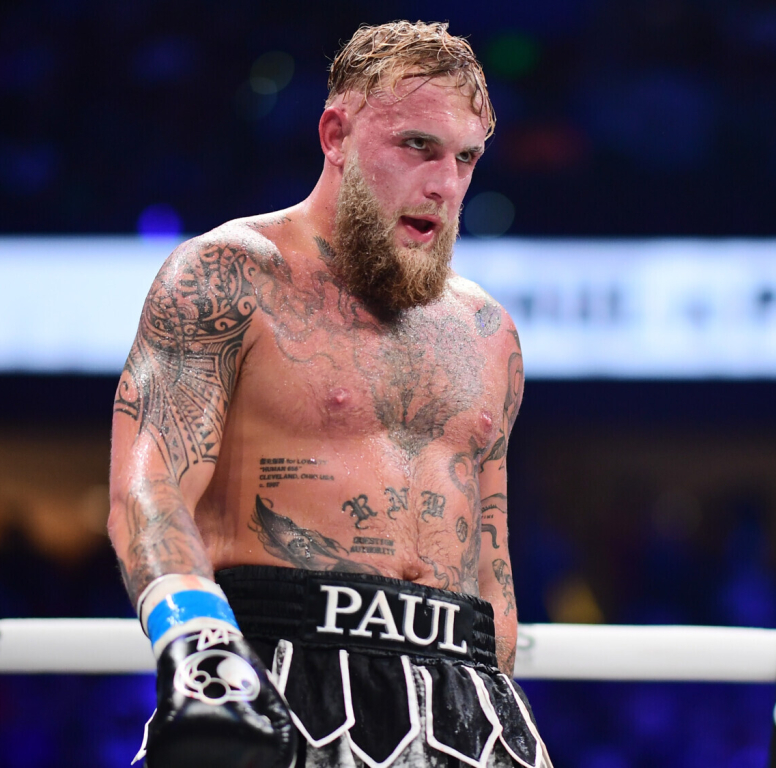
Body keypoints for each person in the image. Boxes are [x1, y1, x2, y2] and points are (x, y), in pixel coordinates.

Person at [108, 20, 550, 768]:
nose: (445, 184)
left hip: (470, 700)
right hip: (280, 667)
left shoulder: (488, 331)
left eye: (465, 157)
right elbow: (149, 488)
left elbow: (489, 562)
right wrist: (197, 642)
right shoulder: (230, 275)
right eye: (417, 146)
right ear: (336, 134)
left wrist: (497, 696)